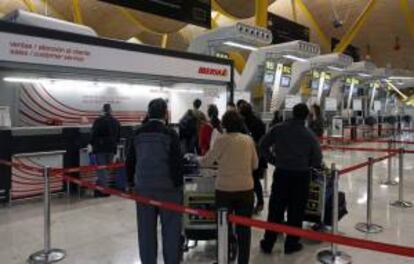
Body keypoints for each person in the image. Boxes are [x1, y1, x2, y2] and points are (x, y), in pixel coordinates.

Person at [259, 103, 322, 255]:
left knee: (275, 209)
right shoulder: (309, 135)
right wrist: (306, 164)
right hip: (301, 177)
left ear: (292, 113)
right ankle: (291, 244)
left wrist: (273, 160)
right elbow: (317, 160)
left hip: (281, 174)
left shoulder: (279, 128)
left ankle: (268, 243)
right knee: (296, 211)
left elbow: (262, 145)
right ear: (307, 116)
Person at [126, 98, 183, 264]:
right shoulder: (170, 134)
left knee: (146, 232)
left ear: (148, 113)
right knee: (171, 231)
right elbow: (176, 163)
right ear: (165, 114)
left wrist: (130, 183)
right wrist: (179, 185)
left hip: (143, 190)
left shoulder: (137, 133)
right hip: (168, 190)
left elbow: (130, 161)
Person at [199, 111, 258, 264]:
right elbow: (255, 164)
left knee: (223, 227)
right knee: (244, 229)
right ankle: (243, 261)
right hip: (246, 189)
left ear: (224, 124)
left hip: (224, 190)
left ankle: (224, 258)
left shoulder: (221, 140)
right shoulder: (248, 140)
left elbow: (207, 161)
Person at [239, 103, 267, 214]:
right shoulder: (259, 122)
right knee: (255, 180)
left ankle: (249, 205)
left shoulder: (243, 123)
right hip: (258, 155)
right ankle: (259, 202)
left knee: (248, 181)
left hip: (246, 155)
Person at [91, 103, 120, 197]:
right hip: (112, 148)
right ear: (111, 110)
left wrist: (91, 144)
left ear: (103, 110)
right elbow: (118, 136)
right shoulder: (116, 122)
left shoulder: (98, 121)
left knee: (101, 170)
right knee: (106, 170)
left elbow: (93, 134)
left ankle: (104, 191)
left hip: (101, 148)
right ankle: (99, 189)